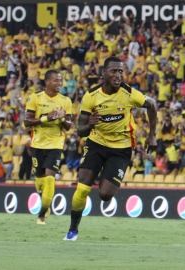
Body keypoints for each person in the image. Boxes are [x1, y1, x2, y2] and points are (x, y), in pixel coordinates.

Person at [64, 57, 157, 241]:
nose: (118, 75)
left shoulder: (129, 93)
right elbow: (80, 130)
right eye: (114, 71)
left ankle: (107, 175)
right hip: (96, 144)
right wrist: (90, 124)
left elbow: (152, 104)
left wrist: (152, 134)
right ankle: (73, 230)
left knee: (105, 195)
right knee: (82, 188)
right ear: (104, 73)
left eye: (121, 71)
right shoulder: (91, 96)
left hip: (121, 148)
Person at [24, 70, 73, 225]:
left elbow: (69, 126)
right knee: (40, 183)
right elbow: (27, 121)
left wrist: (60, 118)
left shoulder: (66, 101)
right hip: (37, 144)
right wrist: (47, 117)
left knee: (50, 179)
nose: (59, 83)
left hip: (55, 145)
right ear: (47, 82)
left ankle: (42, 214)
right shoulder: (35, 98)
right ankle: (45, 201)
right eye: (56, 80)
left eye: (61, 80)